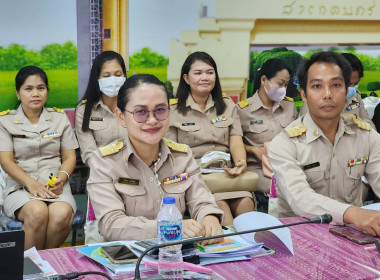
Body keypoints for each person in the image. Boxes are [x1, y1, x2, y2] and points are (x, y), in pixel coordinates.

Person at [86, 74, 224, 243]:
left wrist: (210, 218)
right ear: (121, 116)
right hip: (125, 257)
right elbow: (111, 224)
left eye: (160, 110)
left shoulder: (182, 156)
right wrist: (165, 227)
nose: (152, 120)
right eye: (141, 112)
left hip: (175, 254)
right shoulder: (104, 161)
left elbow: (202, 201)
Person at [269, 51, 380, 236]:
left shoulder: (367, 136)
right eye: (317, 86)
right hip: (301, 239)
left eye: (336, 85)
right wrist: (351, 213)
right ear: (303, 94)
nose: (328, 94)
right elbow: (300, 198)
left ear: (347, 91)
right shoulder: (285, 143)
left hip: (354, 236)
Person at [166, 51, 255, 226]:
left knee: (246, 204)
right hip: (196, 176)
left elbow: (235, 139)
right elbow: (172, 154)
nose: (205, 77)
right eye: (198, 73)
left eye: (210, 72)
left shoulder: (227, 104)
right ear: (186, 78)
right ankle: (232, 251)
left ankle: (254, 251)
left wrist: (240, 162)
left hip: (226, 173)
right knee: (221, 208)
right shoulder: (173, 110)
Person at [0, 66, 78, 249]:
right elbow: (6, 161)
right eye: (28, 89)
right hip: (20, 188)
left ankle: (43, 268)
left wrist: (61, 179)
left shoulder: (59, 118)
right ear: (18, 93)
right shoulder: (5, 121)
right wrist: (31, 184)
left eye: (40, 88)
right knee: (37, 212)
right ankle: (31, 270)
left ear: (47, 92)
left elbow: (69, 157)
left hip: (55, 187)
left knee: (61, 215)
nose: (35, 93)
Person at [75, 51, 127, 244]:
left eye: (118, 74)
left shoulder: (135, 106)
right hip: (102, 178)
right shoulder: (85, 109)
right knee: (99, 240)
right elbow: (89, 154)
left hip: (135, 175)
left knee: (133, 234)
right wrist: (112, 171)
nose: (113, 80)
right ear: (97, 78)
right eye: (106, 76)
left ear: (125, 75)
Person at [237, 58, 297, 194]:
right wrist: (252, 149)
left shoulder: (289, 106)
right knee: (281, 189)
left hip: (287, 165)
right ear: (264, 80)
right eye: (280, 84)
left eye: (286, 85)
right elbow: (233, 143)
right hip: (258, 169)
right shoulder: (243, 110)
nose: (284, 89)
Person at [299, 52, 375, 128]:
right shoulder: (314, 99)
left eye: (356, 83)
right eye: (349, 84)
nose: (352, 87)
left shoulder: (356, 97)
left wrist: (355, 118)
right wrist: (342, 118)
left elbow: (370, 127)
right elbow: (307, 129)